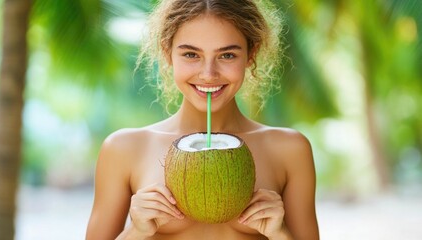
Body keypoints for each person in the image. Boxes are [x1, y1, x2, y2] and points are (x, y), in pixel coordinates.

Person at [86, 0, 319, 239]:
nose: (208, 74)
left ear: (252, 54)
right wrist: (136, 231)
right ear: (167, 53)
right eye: (191, 54)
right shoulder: (124, 149)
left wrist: (279, 233)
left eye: (227, 55)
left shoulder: (289, 150)